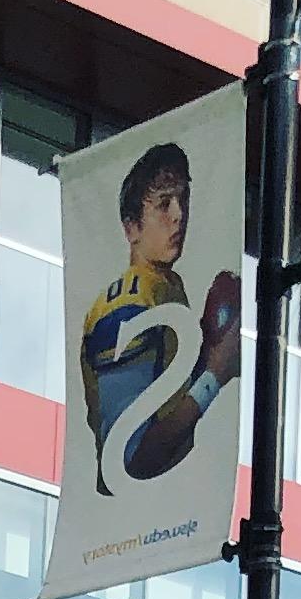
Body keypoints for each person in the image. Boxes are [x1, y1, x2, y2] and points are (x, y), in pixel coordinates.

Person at [78, 142, 243, 492]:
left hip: (162, 500)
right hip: (136, 511)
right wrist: (213, 375)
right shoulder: (126, 306)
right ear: (131, 228)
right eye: (164, 204)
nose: (179, 214)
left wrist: (208, 348)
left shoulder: (165, 284)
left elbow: (164, 399)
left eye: (183, 199)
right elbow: (129, 456)